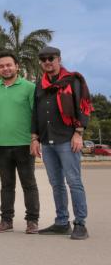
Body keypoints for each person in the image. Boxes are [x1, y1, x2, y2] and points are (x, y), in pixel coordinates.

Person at [31, 46, 93, 240]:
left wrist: (79, 133)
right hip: (47, 142)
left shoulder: (73, 80)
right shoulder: (39, 84)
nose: (47, 62)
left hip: (67, 139)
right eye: (43, 59)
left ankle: (80, 223)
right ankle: (61, 222)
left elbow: (84, 107)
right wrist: (34, 138)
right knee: (56, 183)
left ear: (58, 59)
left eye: (51, 58)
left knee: (74, 182)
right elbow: (36, 112)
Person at [0, 52, 39, 234]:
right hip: (1, 145)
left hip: (25, 144)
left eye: (9, 65)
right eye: (1, 66)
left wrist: (35, 138)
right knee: (6, 185)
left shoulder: (29, 87)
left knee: (29, 184)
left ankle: (32, 221)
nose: (5, 68)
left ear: (17, 66)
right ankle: (6, 220)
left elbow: (36, 115)